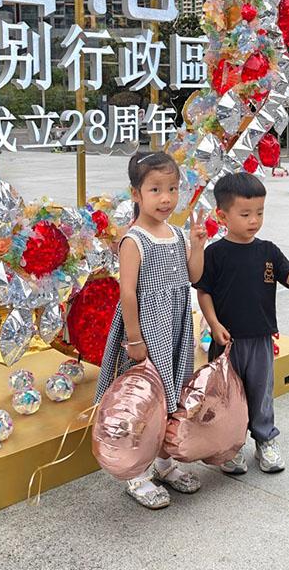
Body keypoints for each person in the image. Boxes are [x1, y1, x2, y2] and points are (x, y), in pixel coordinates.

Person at [94, 151, 208, 510]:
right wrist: (134, 338)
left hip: (174, 326)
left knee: (170, 396)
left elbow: (192, 277)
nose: (166, 198)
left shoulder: (176, 235)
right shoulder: (134, 240)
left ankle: (163, 462)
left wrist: (198, 244)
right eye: (155, 189)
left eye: (172, 189)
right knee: (142, 402)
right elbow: (128, 293)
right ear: (136, 194)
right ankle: (136, 473)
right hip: (145, 330)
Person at [193, 172, 289, 475]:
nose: (254, 220)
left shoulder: (267, 250)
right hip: (227, 342)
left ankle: (265, 439)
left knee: (261, 392)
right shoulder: (216, 253)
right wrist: (212, 323)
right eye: (246, 214)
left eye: (260, 213)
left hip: (261, 338)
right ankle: (230, 446)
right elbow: (203, 291)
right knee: (227, 396)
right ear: (223, 215)